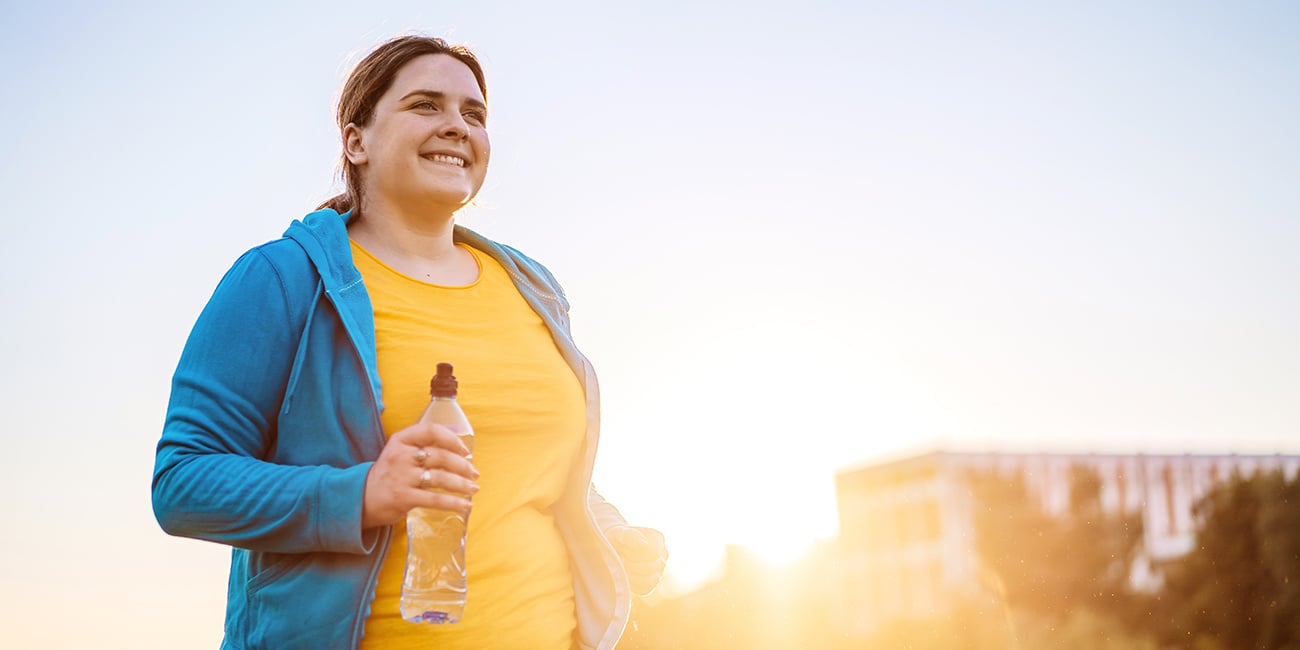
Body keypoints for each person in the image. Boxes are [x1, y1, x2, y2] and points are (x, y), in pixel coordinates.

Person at [152, 34, 667, 650]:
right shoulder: (283, 279)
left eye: (472, 113)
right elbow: (183, 484)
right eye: (426, 105)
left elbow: (540, 477)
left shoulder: (532, 286)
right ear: (356, 141)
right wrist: (363, 493)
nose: (456, 125)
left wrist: (610, 530)